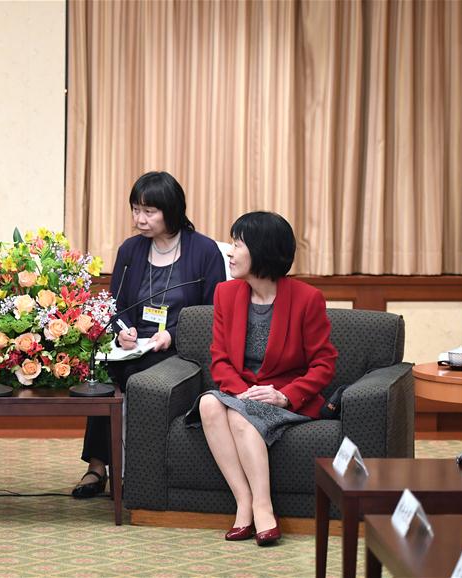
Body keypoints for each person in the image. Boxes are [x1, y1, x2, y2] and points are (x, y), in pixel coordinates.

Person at [72, 171, 226, 499]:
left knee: (134, 374)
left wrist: (172, 335)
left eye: (149, 211)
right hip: (135, 344)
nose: (139, 219)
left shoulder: (204, 250)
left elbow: (213, 312)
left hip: (179, 348)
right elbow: (116, 304)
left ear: (172, 210)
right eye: (135, 210)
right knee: (102, 374)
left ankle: (134, 470)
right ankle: (98, 466)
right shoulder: (131, 250)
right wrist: (122, 331)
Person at [187, 211, 337, 547]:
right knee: (209, 404)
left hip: (285, 397)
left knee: (239, 418)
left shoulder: (307, 299)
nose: (230, 252)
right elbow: (220, 359)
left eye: (238, 244)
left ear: (262, 250)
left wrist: (286, 395)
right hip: (241, 393)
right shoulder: (225, 294)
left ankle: (263, 507)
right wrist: (243, 393)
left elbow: (324, 364)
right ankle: (244, 500)